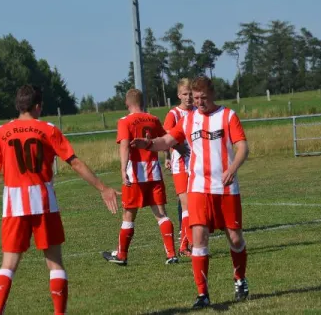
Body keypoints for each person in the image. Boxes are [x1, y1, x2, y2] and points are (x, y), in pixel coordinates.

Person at [0, 85, 119, 315]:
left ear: (18, 105)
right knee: (54, 263)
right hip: (43, 202)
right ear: (37, 106)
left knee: (8, 265)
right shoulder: (47, 129)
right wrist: (102, 188)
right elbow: (74, 162)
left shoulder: (0, 132)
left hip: (13, 205)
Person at [131, 76, 249, 309]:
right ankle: (202, 294)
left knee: (235, 238)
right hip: (197, 188)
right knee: (199, 238)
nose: (200, 102)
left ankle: (240, 279)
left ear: (213, 95)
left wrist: (232, 168)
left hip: (225, 188)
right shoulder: (189, 119)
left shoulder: (228, 116)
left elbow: (242, 146)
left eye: (203, 98)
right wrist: (148, 144)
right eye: (196, 98)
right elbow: (167, 140)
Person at [102, 89, 179, 266]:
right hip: (154, 173)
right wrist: (167, 157)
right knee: (161, 215)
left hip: (135, 174)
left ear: (126, 103)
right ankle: (171, 254)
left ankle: (121, 255)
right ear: (143, 102)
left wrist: (123, 170)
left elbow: (124, 146)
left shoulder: (125, 121)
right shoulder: (153, 119)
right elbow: (166, 139)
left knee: (128, 216)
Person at [164, 78, 196, 257]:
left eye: (191, 93)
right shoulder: (174, 114)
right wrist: (173, 151)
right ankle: (186, 246)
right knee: (187, 205)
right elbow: (165, 136)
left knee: (193, 206)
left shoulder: (196, 112)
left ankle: (188, 244)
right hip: (181, 165)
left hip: (196, 165)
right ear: (179, 95)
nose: (188, 97)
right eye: (185, 94)